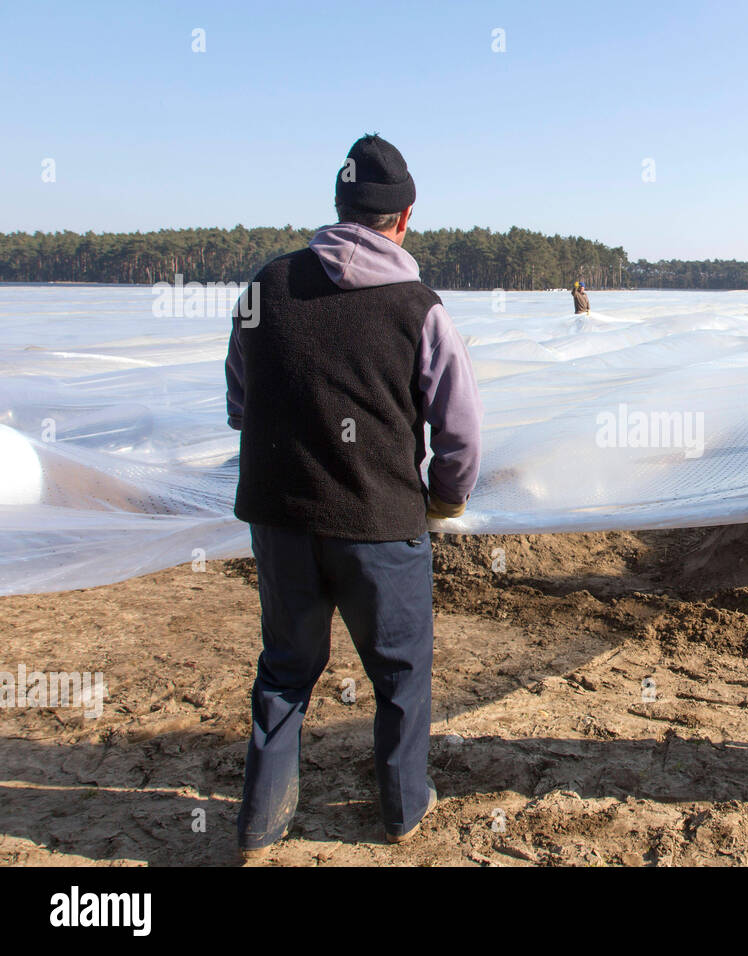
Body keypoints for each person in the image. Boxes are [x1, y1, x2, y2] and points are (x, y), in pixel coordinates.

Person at [224, 134, 483, 860]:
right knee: (400, 674)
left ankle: (259, 821)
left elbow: (240, 401)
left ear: (340, 207)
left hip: (280, 520)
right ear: (404, 218)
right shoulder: (420, 308)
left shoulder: (261, 288)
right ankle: (402, 809)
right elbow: (459, 426)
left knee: (284, 671)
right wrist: (446, 497)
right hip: (381, 524)